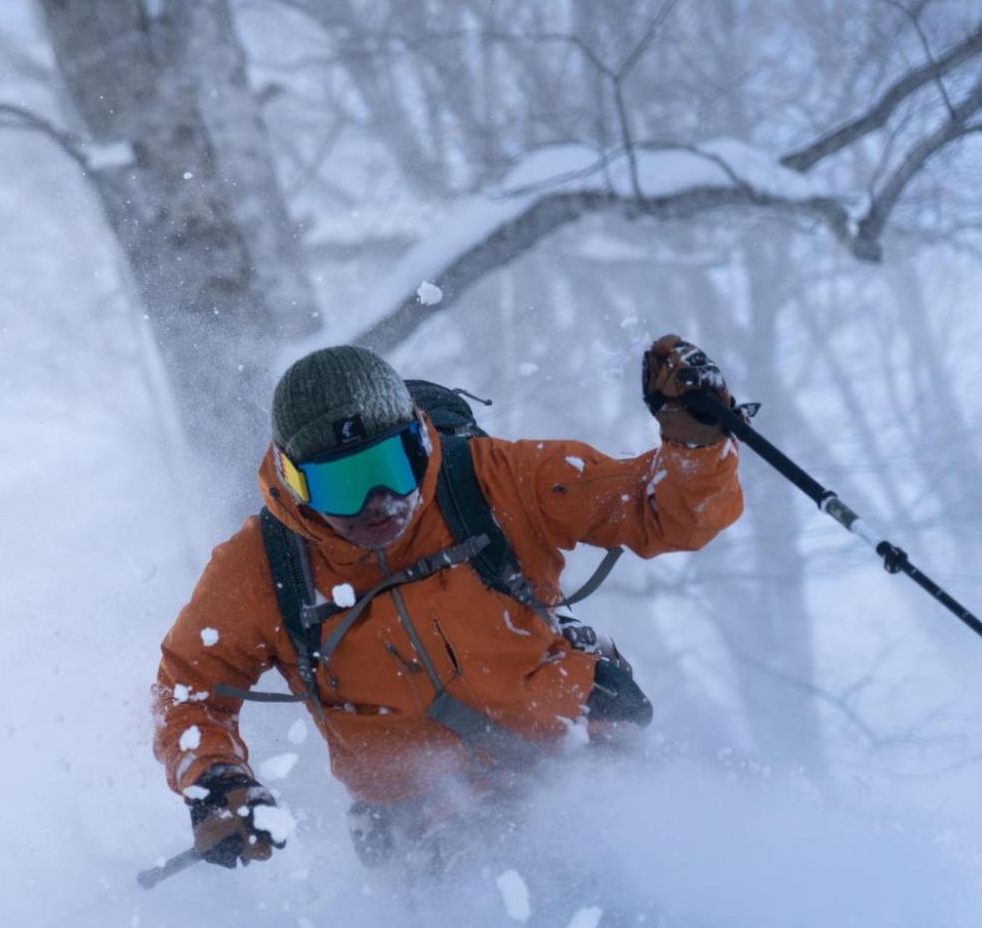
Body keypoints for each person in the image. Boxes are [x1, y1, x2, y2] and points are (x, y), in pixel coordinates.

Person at [154, 337, 745, 879]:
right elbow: (188, 689)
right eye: (340, 486)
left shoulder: (493, 481)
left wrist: (696, 444)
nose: (376, 504)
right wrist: (216, 780)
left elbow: (658, 509)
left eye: (389, 469)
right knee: (498, 899)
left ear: (418, 440)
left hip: (574, 745)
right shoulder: (264, 566)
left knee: (651, 864)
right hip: (423, 816)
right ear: (295, 485)